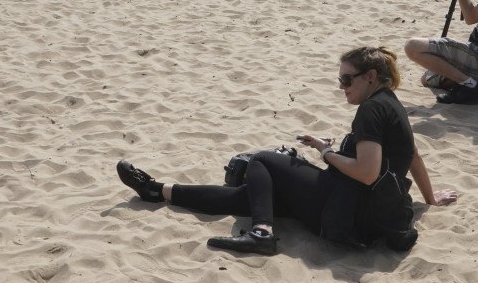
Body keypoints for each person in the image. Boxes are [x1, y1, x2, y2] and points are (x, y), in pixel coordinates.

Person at [115, 47, 458, 256]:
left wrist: (326, 155)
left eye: (346, 80)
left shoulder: (370, 110)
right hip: (366, 215)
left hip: (348, 213)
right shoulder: (391, 104)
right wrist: (429, 198)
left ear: (370, 77)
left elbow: (367, 172)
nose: (342, 87)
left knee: (263, 160)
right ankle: (156, 190)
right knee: (253, 194)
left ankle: (262, 233)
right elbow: (412, 155)